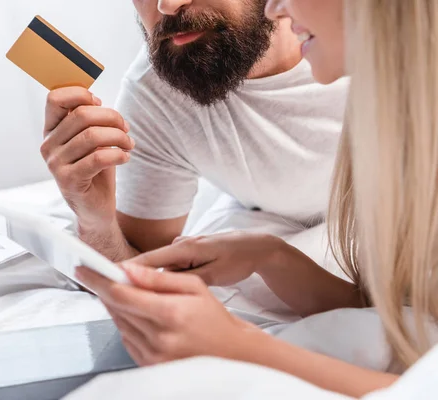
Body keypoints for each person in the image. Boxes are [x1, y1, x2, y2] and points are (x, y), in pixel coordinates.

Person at [74, 0, 438, 397]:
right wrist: (269, 256)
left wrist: (239, 346)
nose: (275, 8)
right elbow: (410, 309)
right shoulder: (387, 105)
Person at [40, 0, 348, 262]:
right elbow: (141, 264)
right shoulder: (159, 92)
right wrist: (95, 221)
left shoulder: (369, 34)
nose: (167, 5)